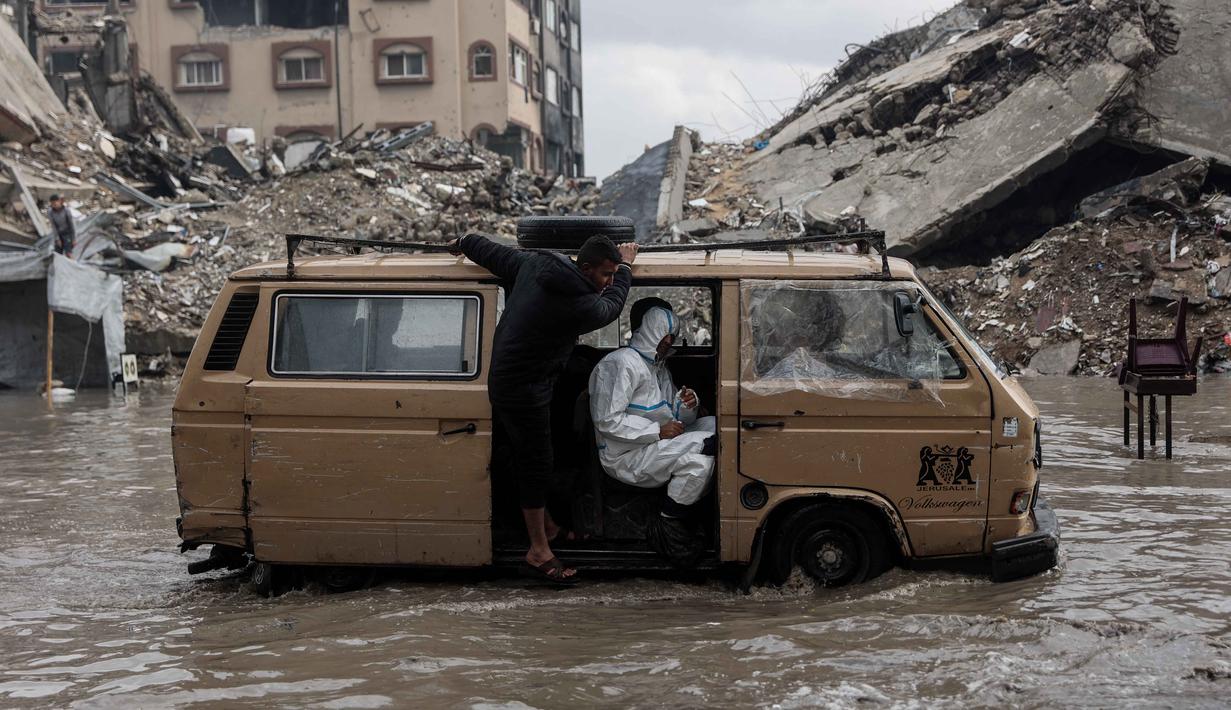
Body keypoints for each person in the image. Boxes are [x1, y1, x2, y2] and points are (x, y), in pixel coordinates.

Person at [449, 232, 638, 584]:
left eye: (613, 275)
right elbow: (611, 308)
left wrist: (465, 239)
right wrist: (626, 267)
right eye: (606, 275)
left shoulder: (535, 263)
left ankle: (548, 525)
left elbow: (491, 253)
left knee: (528, 453)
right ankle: (538, 551)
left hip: (511, 377)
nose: (609, 281)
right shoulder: (579, 302)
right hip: (524, 387)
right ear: (584, 268)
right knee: (537, 462)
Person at [588, 300, 716, 565]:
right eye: (663, 340)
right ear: (649, 334)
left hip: (651, 443)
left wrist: (688, 405)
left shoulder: (657, 367)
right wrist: (656, 431)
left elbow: (673, 417)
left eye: (670, 342)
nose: (666, 346)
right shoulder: (621, 364)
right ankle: (669, 521)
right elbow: (608, 421)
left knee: (719, 428)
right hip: (625, 455)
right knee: (707, 448)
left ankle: (677, 513)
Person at [47, 194, 75, 258]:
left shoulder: (66, 211)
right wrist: (57, 239)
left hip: (67, 234)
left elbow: (72, 225)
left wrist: (73, 239)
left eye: (55, 203)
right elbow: (53, 226)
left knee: (68, 253)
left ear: (59, 201)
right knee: (57, 254)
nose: (54, 205)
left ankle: (73, 265)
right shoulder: (50, 212)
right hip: (59, 234)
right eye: (52, 204)